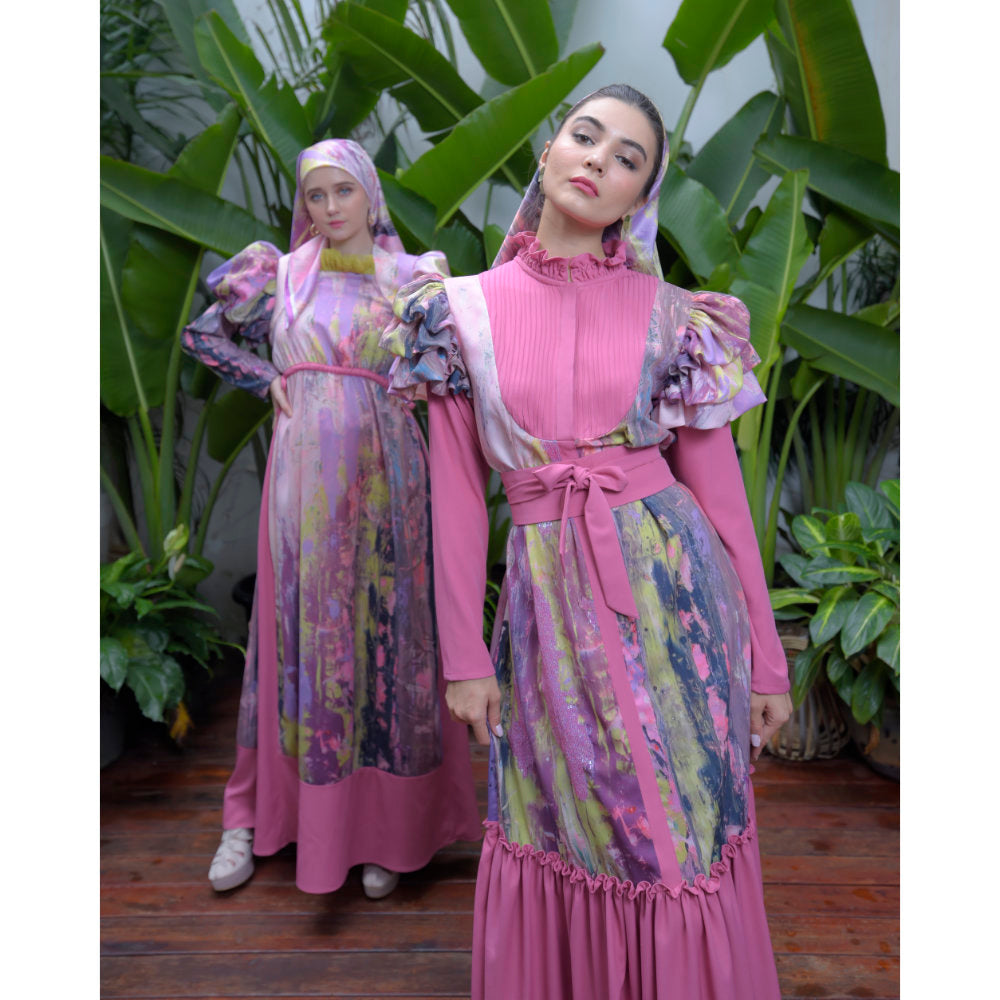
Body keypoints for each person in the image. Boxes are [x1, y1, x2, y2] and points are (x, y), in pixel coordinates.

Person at [382, 86, 793, 998]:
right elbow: (457, 499)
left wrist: (767, 659)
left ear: (638, 196)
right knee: (569, 823)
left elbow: (723, 503)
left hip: (676, 600)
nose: (599, 159)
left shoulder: (675, 316)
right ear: (549, 150)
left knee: (684, 826)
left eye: (628, 158)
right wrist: (463, 657)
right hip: (545, 612)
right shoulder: (455, 313)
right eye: (586, 135)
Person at [181, 139, 481, 899]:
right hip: (303, 483)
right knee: (301, 636)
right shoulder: (279, 274)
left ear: (370, 194)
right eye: (316, 194)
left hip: (391, 480)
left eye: (343, 190)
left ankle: (389, 830)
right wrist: (264, 377)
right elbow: (203, 335)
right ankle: (257, 816)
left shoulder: (414, 278)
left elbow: (456, 370)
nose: (330, 207)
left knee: (390, 638)